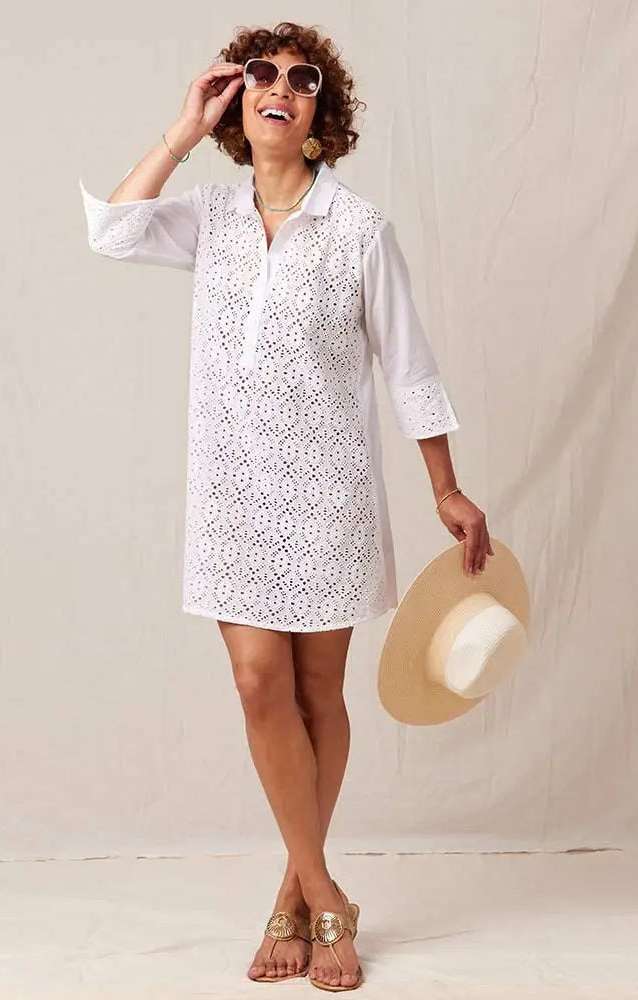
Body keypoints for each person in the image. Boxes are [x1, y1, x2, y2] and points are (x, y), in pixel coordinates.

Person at [79, 21, 492, 992]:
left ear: (320, 116)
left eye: (301, 80)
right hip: (233, 491)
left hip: (328, 493)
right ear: (239, 101)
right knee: (259, 683)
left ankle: (289, 892)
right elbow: (113, 229)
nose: (279, 86)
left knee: (315, 694)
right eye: (259, 73)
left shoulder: (359, 231)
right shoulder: (212, 218)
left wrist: (444, 485)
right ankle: (326, 892)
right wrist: (183, 129)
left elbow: (409, 366)